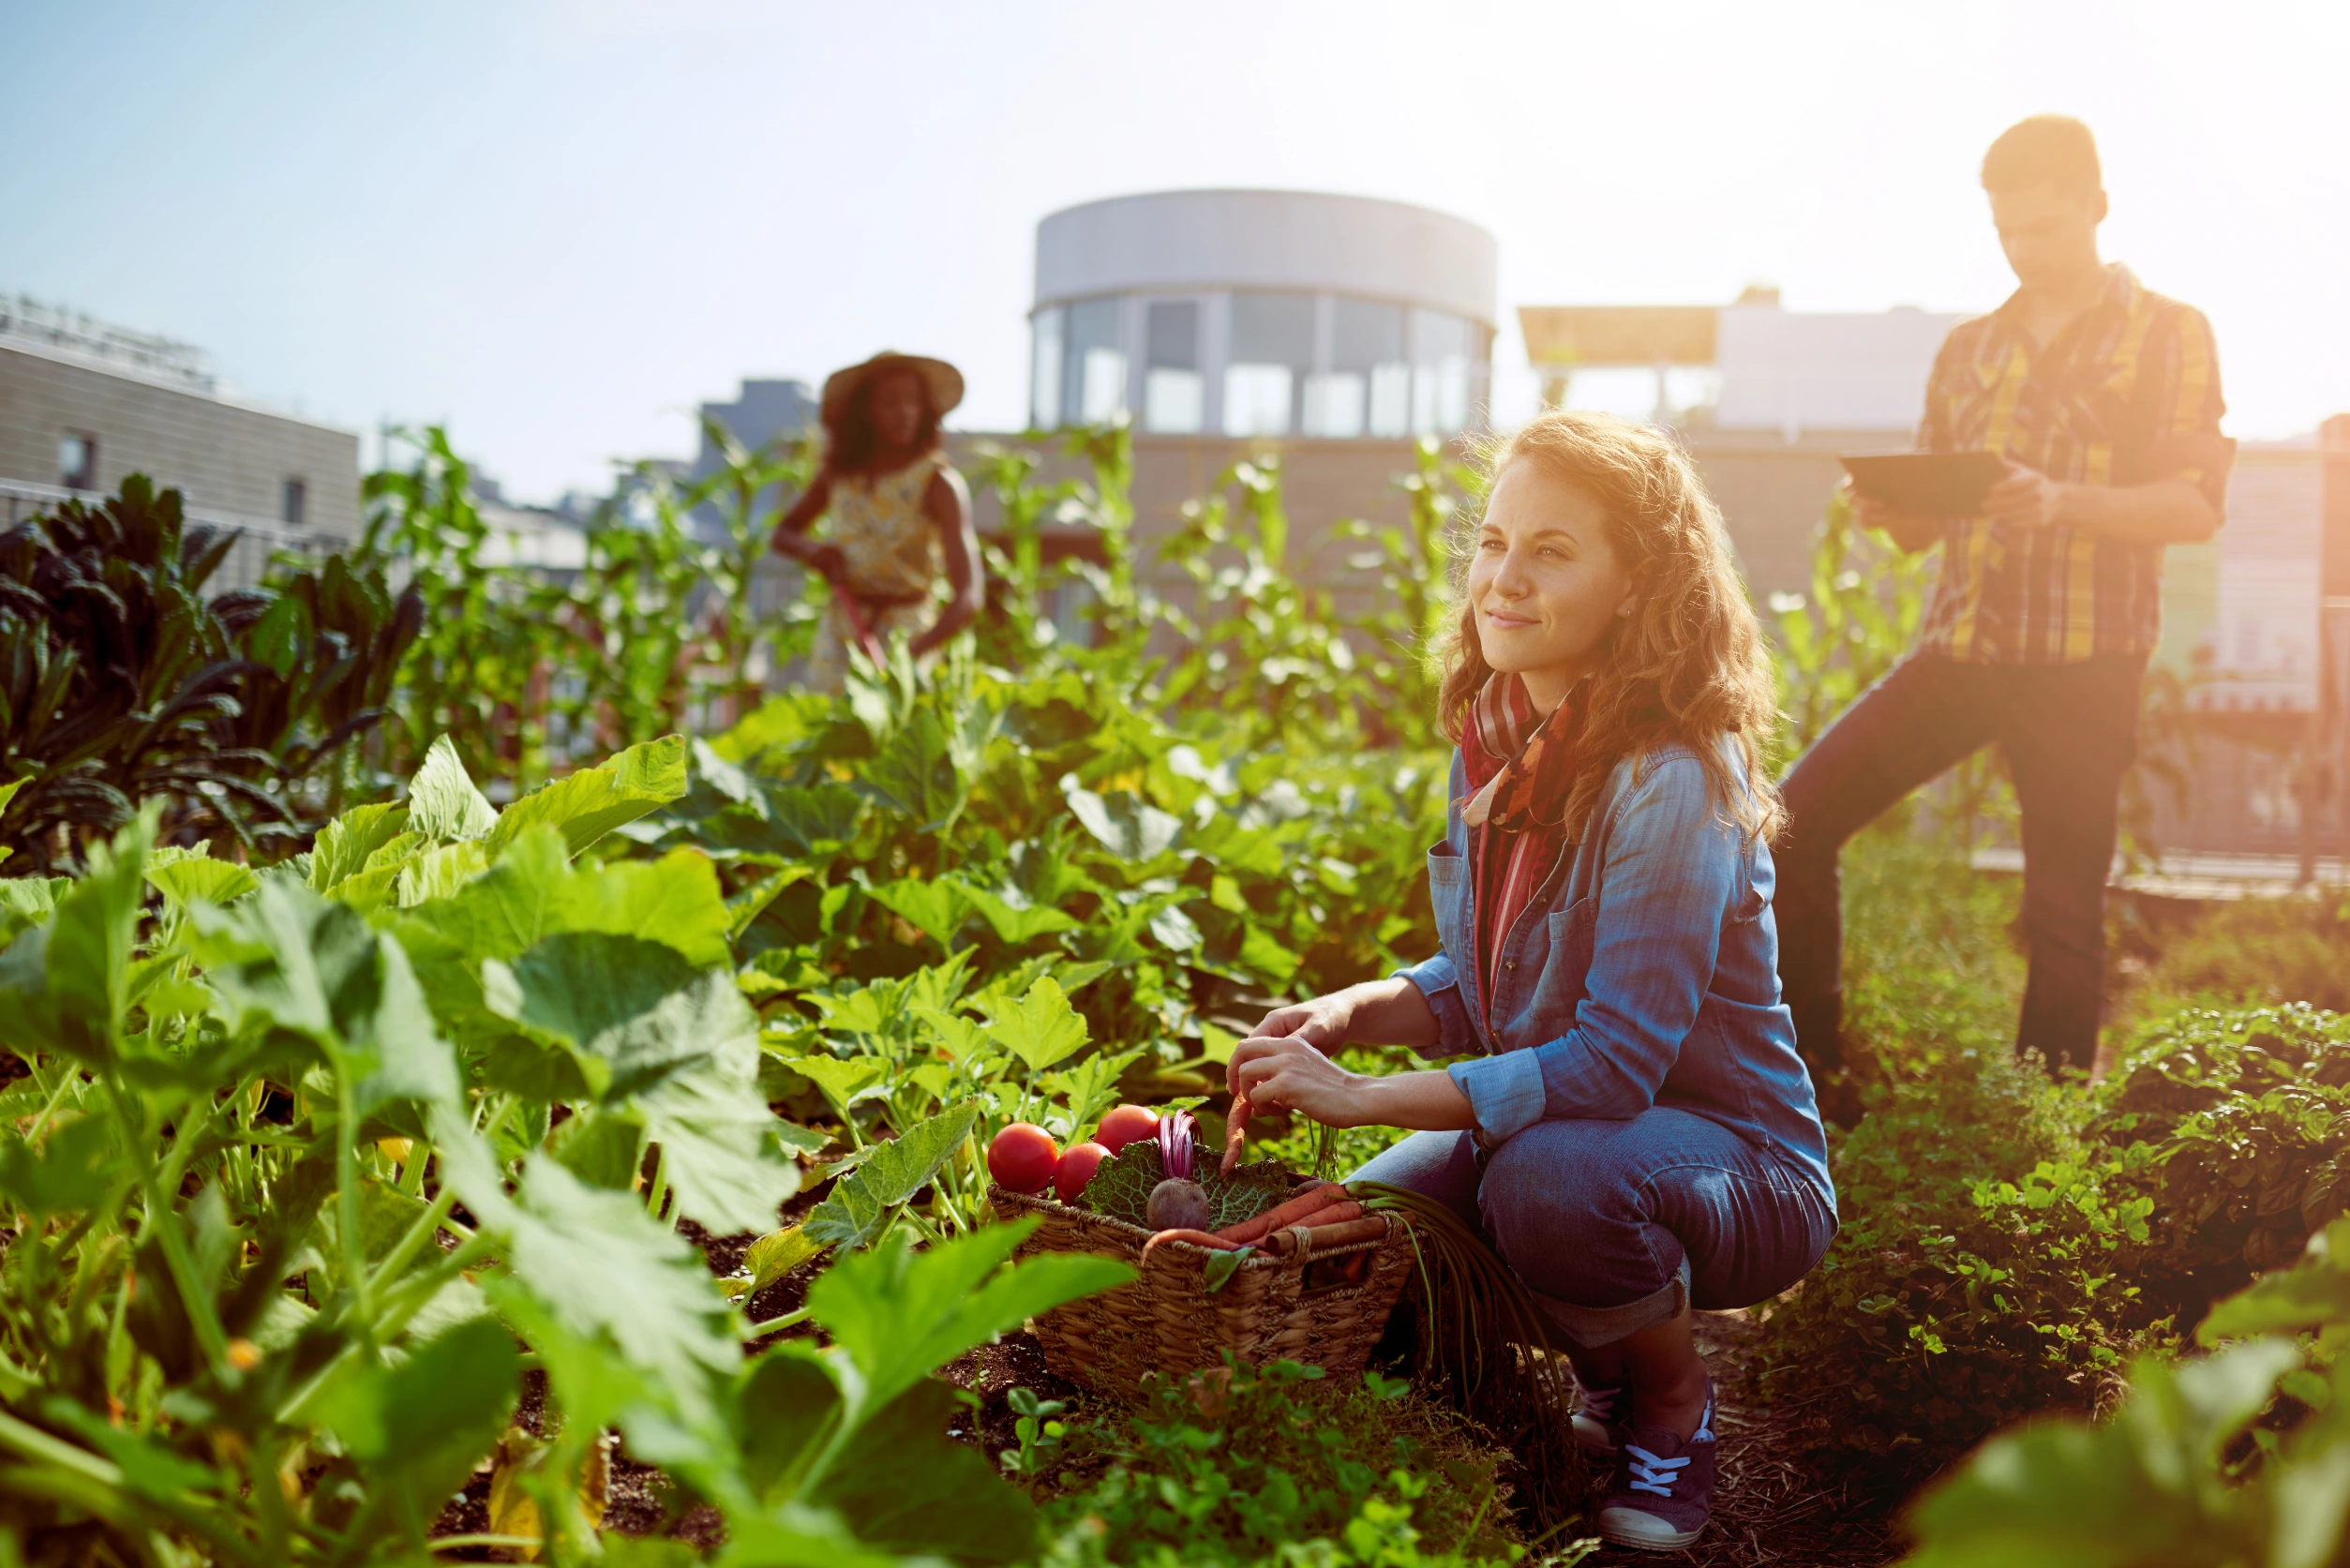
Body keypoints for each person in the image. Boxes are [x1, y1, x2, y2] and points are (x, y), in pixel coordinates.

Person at [1228, 411, 1836, 1554]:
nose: (1503, 578)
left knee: (1549, 1186)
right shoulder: (1500, 743)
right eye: (1494, 541)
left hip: (1736, 1164)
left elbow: (1609, 1066)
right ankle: (1592, 1355)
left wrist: (1360, 1094)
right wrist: (1351, 1012)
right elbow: (1478, 978)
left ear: (1637, 584)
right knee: (1370, 1227)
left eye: (1552, 550)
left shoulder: (1670, 778)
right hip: (1583, 1124)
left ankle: (1663, 1399)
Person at [1774, 116, 2231, 1090]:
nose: (2024, 250)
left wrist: (2063, 501)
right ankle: (1808, 1074)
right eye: (2006, 232)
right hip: (1960, 654)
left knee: (2062, 912)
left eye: (2045, 229)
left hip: (2084, 663)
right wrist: (1888, 511)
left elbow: (2193, 505)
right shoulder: (1966, 349)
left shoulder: (2167, 332)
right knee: (1789, 819)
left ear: (2096, 207)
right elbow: (1925, 530)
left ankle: (2045, 1121)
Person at [771, 351, 983, 691]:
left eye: (912, 401)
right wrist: (815, 553)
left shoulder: (938, 483)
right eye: (889, 402)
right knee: (829, 735)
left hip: (908, 636)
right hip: (842, 633)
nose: (904, 412)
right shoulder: (839, 476)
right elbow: (783, 534)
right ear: (866, 413)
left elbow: (968, 597)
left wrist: (914, 652)